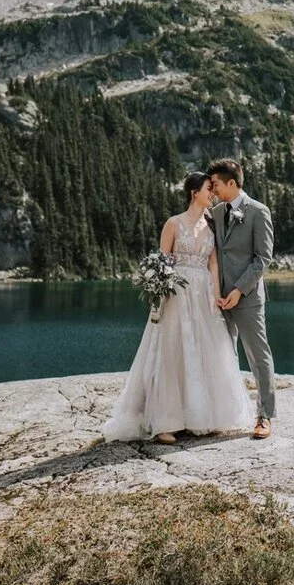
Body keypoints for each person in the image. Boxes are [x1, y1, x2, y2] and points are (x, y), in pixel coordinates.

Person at [102, 172, 254, 443]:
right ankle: (165, 422)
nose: (213, 194)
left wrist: (216, 296)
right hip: (176, 294)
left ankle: (205, 417)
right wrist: (160, 293)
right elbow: (164, 261)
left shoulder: (212, 225)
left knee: (205, 351)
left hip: (203, 294)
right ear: (194, 192)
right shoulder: (174, 223)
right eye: (208, 189)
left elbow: (213, 264)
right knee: (171, 351)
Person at [207, 158, 277, 439]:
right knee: (222, 356)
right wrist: (216, 291)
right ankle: (224, 413)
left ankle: (264, 416)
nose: (212, 189)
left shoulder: (258, 211)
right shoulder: (214, 212)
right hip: (218, 299)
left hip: (246, 297)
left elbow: (263, 258)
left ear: (232, 183)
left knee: (258, 356)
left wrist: (238, 290)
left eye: (216, 184)